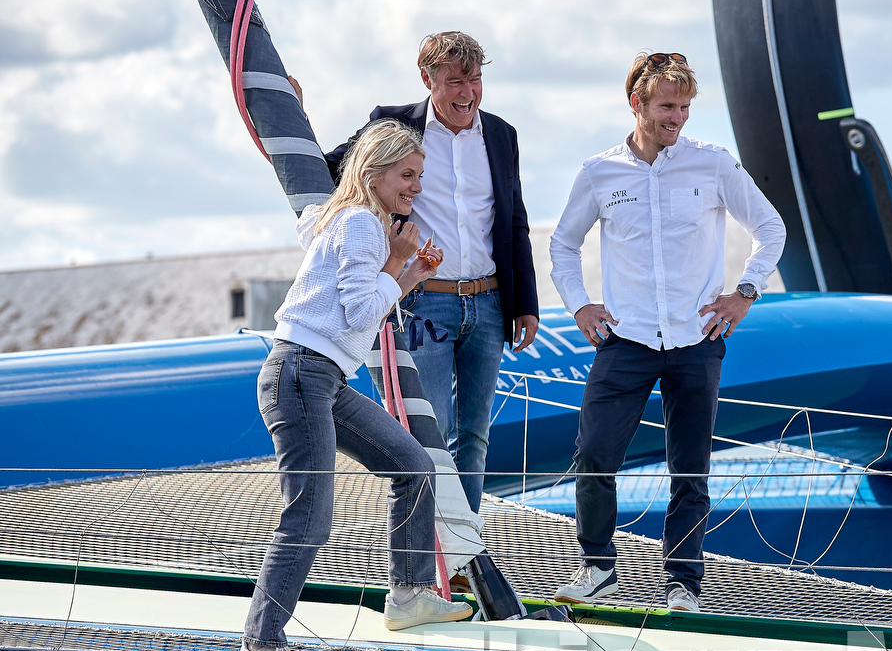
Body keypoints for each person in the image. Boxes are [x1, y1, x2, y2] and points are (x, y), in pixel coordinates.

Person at [548, 52, 785, 612]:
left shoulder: (714, 164)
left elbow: (770, 228)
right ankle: (598, 568)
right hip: (624, 340)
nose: (676, 118)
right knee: (595, 455)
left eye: (683, 107)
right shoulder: (598, 172)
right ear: (637, 104)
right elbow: (562, 245)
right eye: (665, 107)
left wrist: (745, 292)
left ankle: (684, 583)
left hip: (696, 339)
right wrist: (580, 305)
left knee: (690, 467)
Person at [241, 119, 470, 651]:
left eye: (420, 176)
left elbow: (359, 302)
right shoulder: (363, 223)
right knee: (310, 515)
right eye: (407, 175)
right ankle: (262, 646)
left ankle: (410, 594)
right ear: (373, 174)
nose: (417, 187)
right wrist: (400, 267)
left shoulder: (349, 221)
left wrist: (407, 269)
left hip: (319, 376)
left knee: (412, 465)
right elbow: (358, 312)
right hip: (301, 374)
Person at [323, 31, 539, 516]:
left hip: (488, 302)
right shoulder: (394, 125)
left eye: (476, 80)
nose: (468, 93)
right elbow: (331, 168)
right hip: (424, 301)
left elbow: (514, 218)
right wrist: (287, 117)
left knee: (476, 435)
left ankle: (464, 553)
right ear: (427, 79)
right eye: (456, 81)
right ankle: (432, 550)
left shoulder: (502, 134)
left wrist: (525, 301)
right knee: (429, 431)